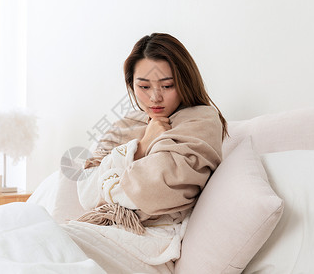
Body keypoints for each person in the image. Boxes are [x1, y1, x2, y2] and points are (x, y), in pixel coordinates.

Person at [62, 33, 227, 274]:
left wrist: (109, 179)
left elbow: (156, 187)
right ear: (131, 84)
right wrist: (142, 145)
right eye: (144, 86)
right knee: (20, 228)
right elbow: (87, 193)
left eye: (167, 86)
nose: (155, 97)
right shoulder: (125, 125)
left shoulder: (201, 120)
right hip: (100, 231)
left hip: (146, 244)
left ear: (185, 81)